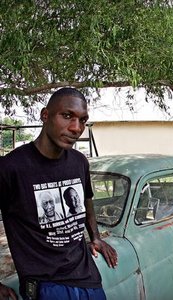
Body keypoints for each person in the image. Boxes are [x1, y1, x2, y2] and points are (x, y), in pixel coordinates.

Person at [0, 87, 118, 300]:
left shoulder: (78, 161)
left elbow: (87, 199)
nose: (76, 128)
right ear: (45, 115)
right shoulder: (12, 167)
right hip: (46, 285)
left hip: (88, 278)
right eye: (67, 116)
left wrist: (96, 237)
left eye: (82, 120)